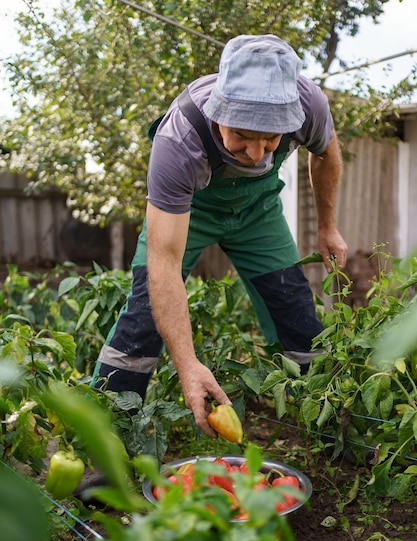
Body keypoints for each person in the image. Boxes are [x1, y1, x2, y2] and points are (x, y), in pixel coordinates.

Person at [92, 34, 348, 438]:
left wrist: (327, 225)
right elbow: (164, 264)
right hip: (190, 213)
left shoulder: (308, 103)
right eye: (243, 135)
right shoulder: (179, 138)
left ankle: (333, 432)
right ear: (219, 111)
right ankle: (105, 442)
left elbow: (326, 152)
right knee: (142, 318)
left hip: (258, 213)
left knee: (296, 310)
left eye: (271, 139)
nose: (257, 153)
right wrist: (188, 363)